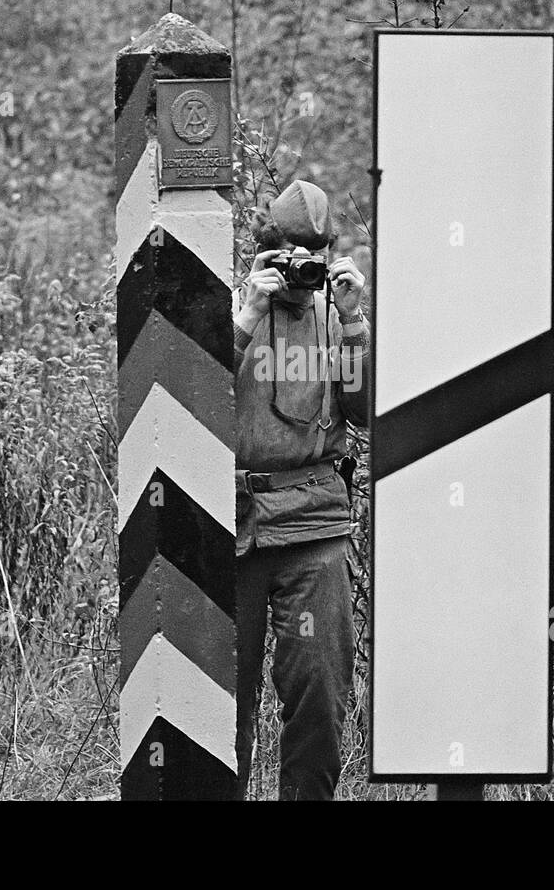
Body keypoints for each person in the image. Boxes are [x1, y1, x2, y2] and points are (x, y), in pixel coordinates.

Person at [232, 179, 369, 800]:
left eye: (312, 257)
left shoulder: (336, 316)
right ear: (266, 252)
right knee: (217, 699)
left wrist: (355, 320)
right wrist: (245, 319)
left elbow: (366, 414)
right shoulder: (234, 306)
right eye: (290, 256)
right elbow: (185, 400)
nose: (301, 272)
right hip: (231, 523)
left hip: (313, 522)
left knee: (318, 699)